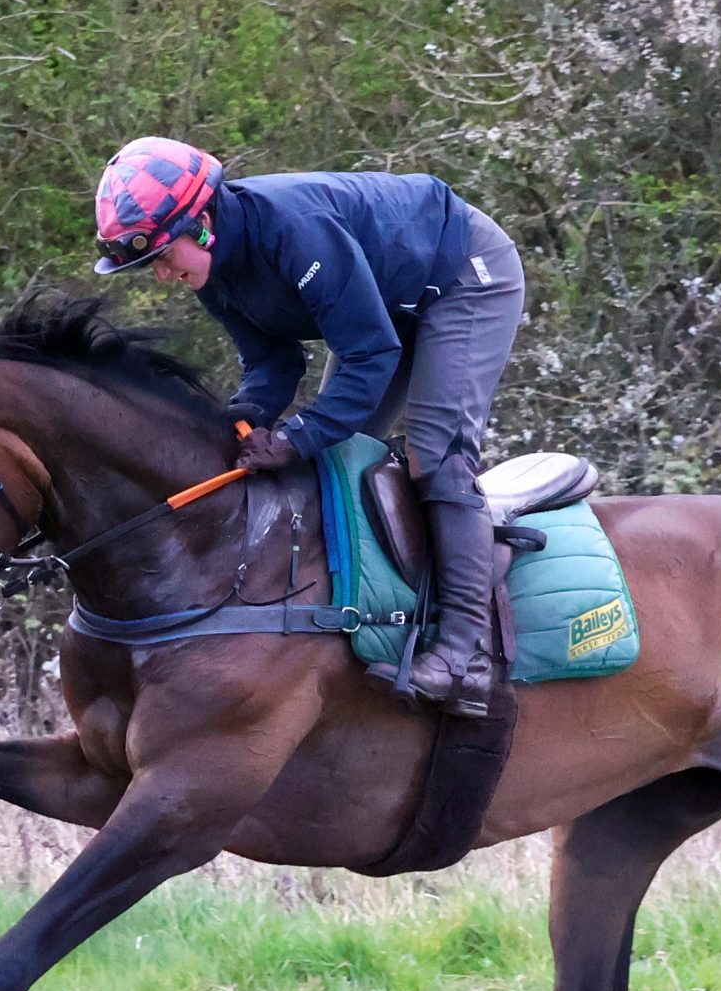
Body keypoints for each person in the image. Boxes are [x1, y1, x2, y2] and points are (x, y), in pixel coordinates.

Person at [91, 137, 525, 716]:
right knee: (336, 460)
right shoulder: (213, 275)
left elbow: (370, 354)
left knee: (434, 452)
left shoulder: (294, 231)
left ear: (202, 226)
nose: (162, 275)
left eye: (163, 257)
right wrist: (244, 416)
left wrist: (296, 436)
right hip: (387, 304)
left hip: (464, 275)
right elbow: (272, 362)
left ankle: (464, 658)